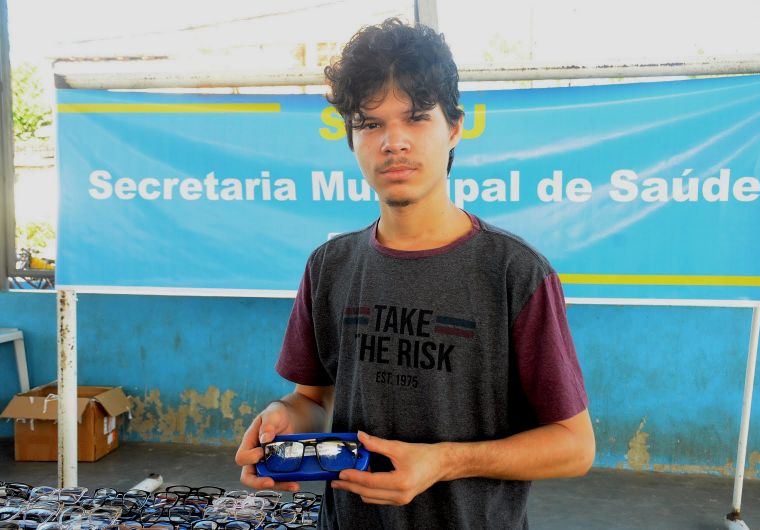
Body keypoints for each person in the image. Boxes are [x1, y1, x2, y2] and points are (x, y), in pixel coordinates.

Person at [236, 17, 595, 529]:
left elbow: (574, 446)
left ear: (454, 128)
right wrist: (281, 423)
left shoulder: (514, 273)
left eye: (416, 117)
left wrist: (445, 461)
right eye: (370, 123)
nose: (393, 142)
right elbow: (313, 399)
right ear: (351, 140)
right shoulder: (329, 266)